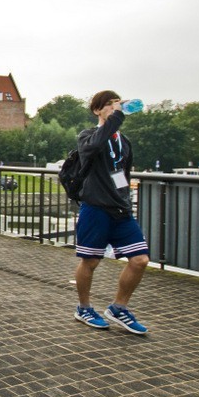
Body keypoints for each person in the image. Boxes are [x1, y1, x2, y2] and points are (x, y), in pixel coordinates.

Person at [73, 90, 150, 335]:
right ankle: (84, 307)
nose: (114, 108)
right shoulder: (88, 135)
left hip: (120, 209)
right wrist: (114, 118)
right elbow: (95, 145)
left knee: (140, 260)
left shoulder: (123, 141)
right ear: (97, 110)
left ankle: (119, 307)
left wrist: (125, 199)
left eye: (116, 104)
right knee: (91, 260)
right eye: (108, 105)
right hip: (95, 207)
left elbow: (124, 173)